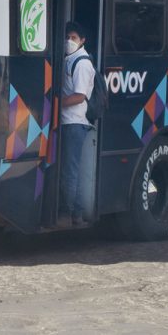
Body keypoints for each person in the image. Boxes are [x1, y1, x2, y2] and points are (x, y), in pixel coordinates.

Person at [59, 21, 95, 227]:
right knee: (69, 169)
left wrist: (55, 105)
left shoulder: (81, 63)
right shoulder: (69, 59)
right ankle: (74, 212)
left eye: (73, 38)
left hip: (74, 122)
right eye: (67, 37)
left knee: (70, 171)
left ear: (82, 41)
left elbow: (79, 96)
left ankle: (72, 213)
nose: (68, 41)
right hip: (67, 121)